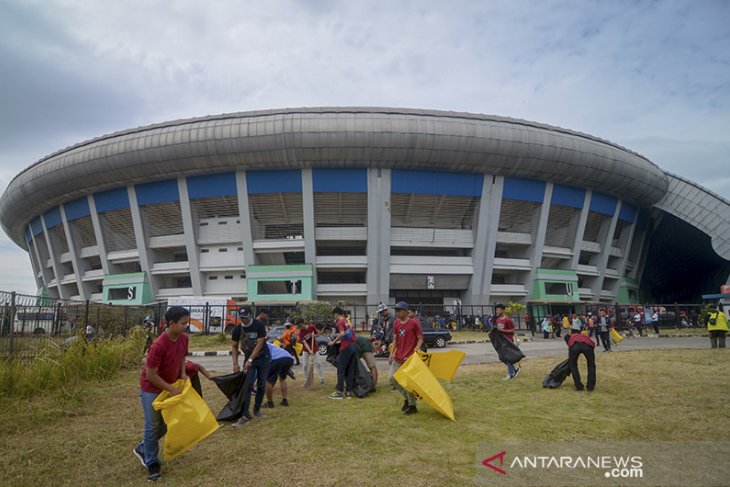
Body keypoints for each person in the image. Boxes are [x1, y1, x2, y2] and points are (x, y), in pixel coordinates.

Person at [133, 306, 190, 482]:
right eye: (183, 323)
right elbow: (151, 375)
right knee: (152, 425)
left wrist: (182, 372)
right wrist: (171, 389)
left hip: (169, 384)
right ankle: (152, 463)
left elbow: (182, 356)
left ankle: (143, 447)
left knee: (166, 424)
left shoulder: (183, 338)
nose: (186, 327)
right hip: (151, 388)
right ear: (171, 324)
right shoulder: (158, 345)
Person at [231, 306, 270, 426]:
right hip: (248, 359)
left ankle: (257, 410)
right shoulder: (237, 329)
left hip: (263, 358)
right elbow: (234, 346)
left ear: (250, 315)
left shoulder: (258, 325)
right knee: (247, 386)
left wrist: (251, 359)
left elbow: (260, 344)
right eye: (241, 318)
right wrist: (235, 363)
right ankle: (245, 414)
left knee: (261, 385)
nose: (244, 320)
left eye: (246, 317)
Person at [388, 301, 423, 415]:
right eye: (396, 311)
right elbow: (395, 339)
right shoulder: (396, 323)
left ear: (405, 311)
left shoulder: (414, 323)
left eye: (399, 310)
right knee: (392, 378)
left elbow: (420, 338)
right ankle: (408, 399)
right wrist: (391, 353)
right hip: (398, 357)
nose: (397, 313)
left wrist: (417, 347)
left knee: (407, 382)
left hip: (409, 358)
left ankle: (412, 406)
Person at [328, 307, 358, 399]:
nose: (334, 317)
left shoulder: (340, 322)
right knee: (350, 369)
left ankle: (339, 392)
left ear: (336, 314)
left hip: (346, 347)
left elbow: (341, 333)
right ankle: (348, 392)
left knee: (341, 369)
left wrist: (333, 342)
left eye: (334, 315)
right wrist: (340, 341)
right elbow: (348, 334)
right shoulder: (347, 321)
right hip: (354, 346)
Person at [263, 342, 295, 408]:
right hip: (289, 358)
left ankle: (270, 403)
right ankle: (284, 400)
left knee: (268, 381)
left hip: (277, 359)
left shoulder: (262, 344)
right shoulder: (270, 344)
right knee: (282, 379)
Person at [493, 303, 520, 379]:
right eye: (496, 310)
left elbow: (512, 330)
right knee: (501, 357)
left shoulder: (508, 320)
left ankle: (511, 374)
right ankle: (514, 369)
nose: (497, 311)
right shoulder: (498, 320)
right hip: (501, 341)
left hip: (508, 341)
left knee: (507, 357)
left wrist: (503, 330)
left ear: (503, 310)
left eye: (498, 310)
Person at [298, 319, 324, 386]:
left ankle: (322, 379)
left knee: (318, 363)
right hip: (306, 349)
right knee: (305, 365)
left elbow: (318, 334)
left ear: (303, 323)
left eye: (301, 326)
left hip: (314, 348)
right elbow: (305, 343)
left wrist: (314, 336)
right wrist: (309, 350)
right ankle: (306, 380)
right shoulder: (300, 332)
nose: (300, 328)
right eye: (299, 327)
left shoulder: (311, 327)